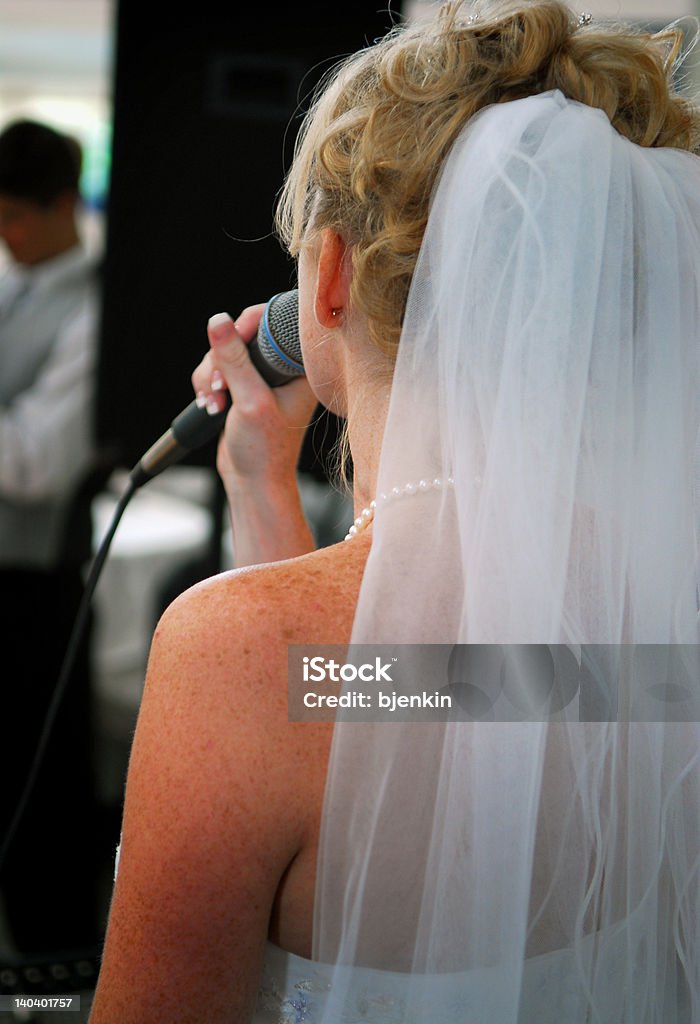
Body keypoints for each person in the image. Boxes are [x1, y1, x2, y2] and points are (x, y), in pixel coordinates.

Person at [89, 1, 700, 1020]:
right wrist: (262, 493)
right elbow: (421, 698)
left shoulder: (228, 654)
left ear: (327, 278)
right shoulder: (643, 614)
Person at [0, 119, 102, 955]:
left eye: (18, 217)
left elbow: (37, 462)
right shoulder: (11, 283)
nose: (7, 234)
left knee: (38, 801)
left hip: (32, 592)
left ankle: (51, 977)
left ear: (64, 205)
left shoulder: (93, 308)